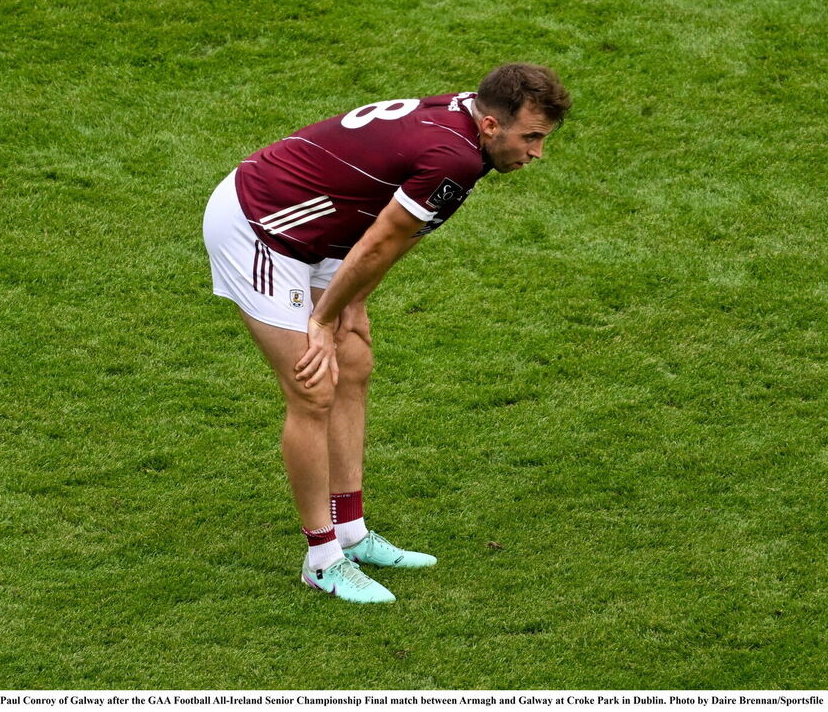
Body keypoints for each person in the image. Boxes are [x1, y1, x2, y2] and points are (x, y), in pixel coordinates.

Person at [202, 63, 571, 603]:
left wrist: (355, 298)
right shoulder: (457, 157)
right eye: (532, 137)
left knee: (353, 364)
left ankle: (350, 529)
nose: (538, 152)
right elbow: (381, 241)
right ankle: (322, 558)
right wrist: (325, 319)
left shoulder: (474, 123)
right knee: (312, 386)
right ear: (491, 126)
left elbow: (399, 229)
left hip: (323, 228)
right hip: (262, 226)